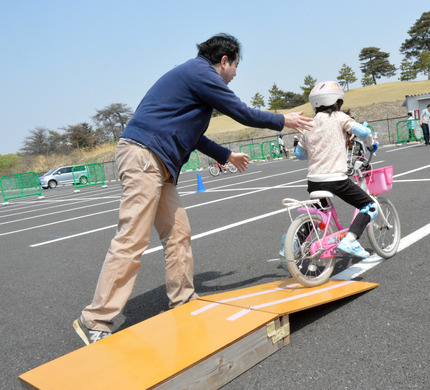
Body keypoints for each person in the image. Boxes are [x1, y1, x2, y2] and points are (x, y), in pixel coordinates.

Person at [73, 33, 314, 346]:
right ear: (224, 61)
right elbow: (241, 112)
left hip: (158, 161)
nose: (236, 73)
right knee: (132, 238)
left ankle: (183, 299)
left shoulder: (192, 81)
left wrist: (226, 155)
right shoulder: (201, 73)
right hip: (144, 156)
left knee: (178, 233)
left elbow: (194, 136)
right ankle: (94, 319)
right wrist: (283, 119)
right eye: (236, 65)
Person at [294, 81, 378, 258]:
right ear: (336, 102)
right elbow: (363, 132)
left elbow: (299, 154)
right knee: (370, 206)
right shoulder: (339, 117)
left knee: (320, 212)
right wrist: (371, 144)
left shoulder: (309, 124)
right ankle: (351, 240)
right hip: (336, 180)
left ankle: (293, 245)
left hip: (314, 182)